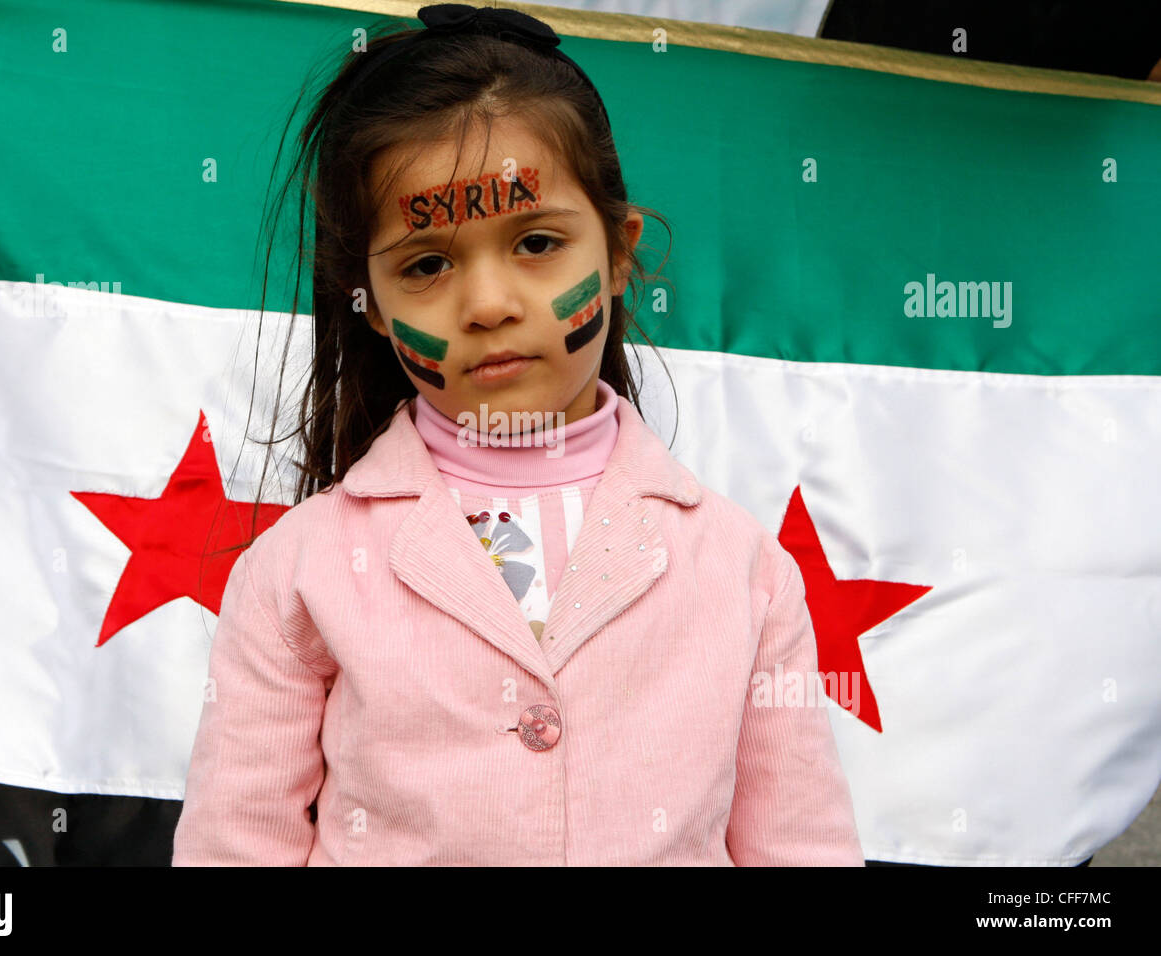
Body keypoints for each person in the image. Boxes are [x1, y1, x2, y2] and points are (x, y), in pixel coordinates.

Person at [172, 3, 863, 866]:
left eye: (536, 242)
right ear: (372, 303)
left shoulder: (746, 570)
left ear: (618, 253)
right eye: (427, 264)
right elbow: (234, 846)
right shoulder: (296, 572)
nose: (490, 303)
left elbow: (803, 846)